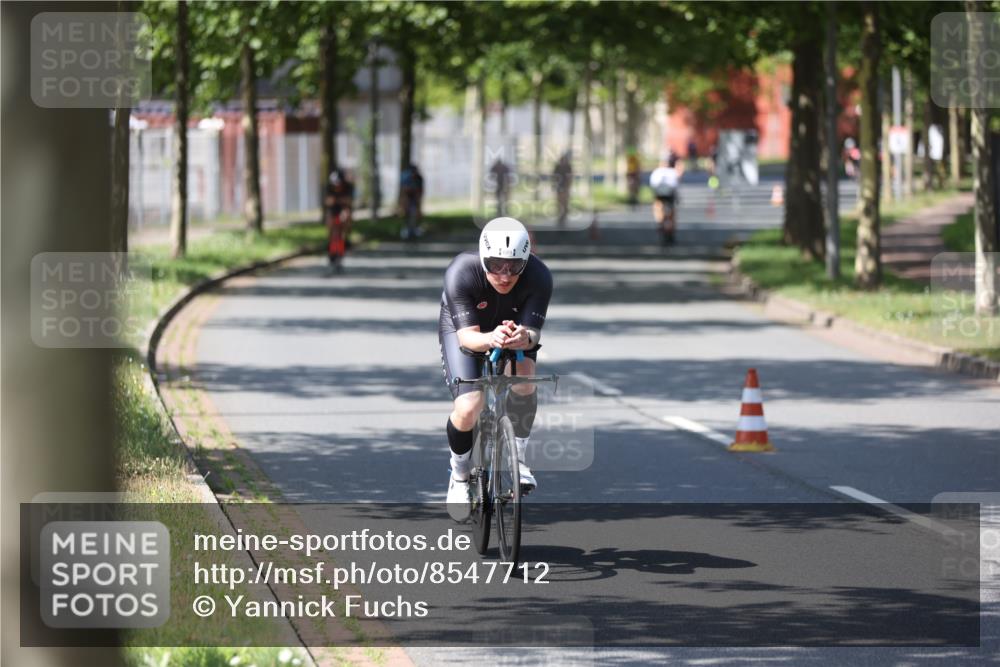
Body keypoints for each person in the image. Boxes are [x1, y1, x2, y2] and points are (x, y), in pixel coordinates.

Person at [438, 217, 553, 521]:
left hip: (513, 328)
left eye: (513, 266)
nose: (504, 276)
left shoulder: (539, 276)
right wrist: (490, 338)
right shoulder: (462, 272)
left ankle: (518, 458)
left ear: (526, 262)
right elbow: (466, 338)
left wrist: (525, 337)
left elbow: (534, 333)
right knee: (469, 405)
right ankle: (460, 475)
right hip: (467, 329)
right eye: (495, 265)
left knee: (525, 381)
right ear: (482, 257)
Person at [324, 169, 354, 274]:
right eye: (335, 185)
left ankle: (341, 250)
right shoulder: (329, 188)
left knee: (343, 228)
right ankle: (331, 252)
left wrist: (346, 218)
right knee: (332, 231)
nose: (337, 187)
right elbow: (328, 202)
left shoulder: (348, 187)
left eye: (339, 184)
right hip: (332, 211)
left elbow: (348, 203)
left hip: (343, 210)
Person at [649, 154, 683, 244]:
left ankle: (660, 222)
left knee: (657, 206)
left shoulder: (656, 172)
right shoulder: (672, 172)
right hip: (670, 195)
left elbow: (653, 185)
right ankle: (670, 226)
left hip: (660, 195)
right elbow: (676, 185)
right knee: (672, 212)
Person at [399, 163, 425, 240]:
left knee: (415, 212)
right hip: (408, 196)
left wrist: (419, 204)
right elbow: (404, 191)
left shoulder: (418, 178)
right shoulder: (406, 178)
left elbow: (420, 192)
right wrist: (403, 203)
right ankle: (407, 229)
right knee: (407, 212)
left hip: (414, 195)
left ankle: (414, 229)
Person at [552, 152, 573, 226]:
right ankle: (560, 216)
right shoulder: (557, 167)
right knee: (559, 202)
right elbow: (554, 177)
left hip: (565, 187)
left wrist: (568, 187)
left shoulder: (568, 167)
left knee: (565, 202)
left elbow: (570, 178)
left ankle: (564, 216)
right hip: (559, 187)